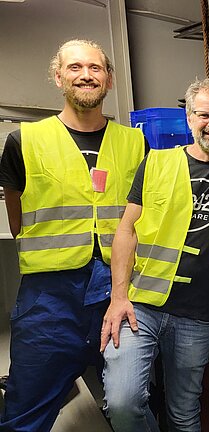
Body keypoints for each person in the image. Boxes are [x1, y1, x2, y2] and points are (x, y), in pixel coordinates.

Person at [100, 77, 209, 431]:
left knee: (183, 412)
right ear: (189, 119)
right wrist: (118, 296)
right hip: (142, 305)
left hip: (199, 314)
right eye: (205, 114)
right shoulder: (156, 163)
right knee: (122, 402)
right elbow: (126, 231)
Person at [0, 39, 146, 431]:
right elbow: (17, 218)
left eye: (95, 68)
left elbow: (142, 215)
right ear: (58, 75)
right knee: (25, 411)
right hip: (49, 299)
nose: (86, 75)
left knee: (133, 401)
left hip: (118, 291)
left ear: (109, 79)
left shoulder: (135, 143)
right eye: (75, 67)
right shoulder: (24, 141)